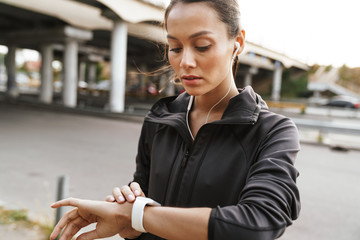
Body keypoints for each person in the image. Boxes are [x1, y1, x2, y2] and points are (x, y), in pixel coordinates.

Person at [50, 0, 301, 239]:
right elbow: (142, 206)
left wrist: (136, 215)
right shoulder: (160, 118)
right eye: (175, 48)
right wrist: (130, 214)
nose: (185, 62)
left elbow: (258, 224)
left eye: (202, 46)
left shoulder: (272, 131)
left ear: (237, 42)